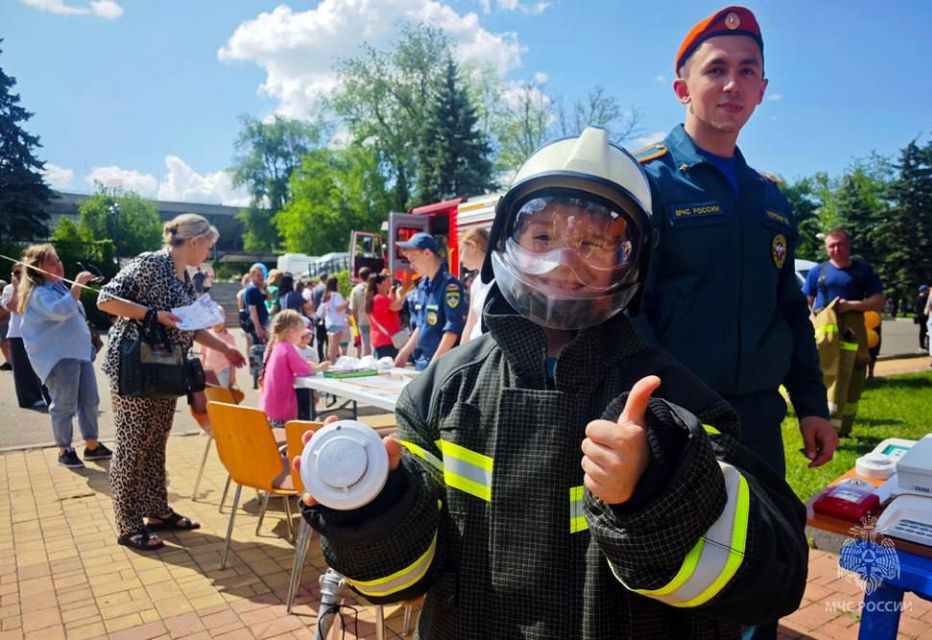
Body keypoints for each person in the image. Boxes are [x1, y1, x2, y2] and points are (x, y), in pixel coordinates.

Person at [295, 127, 808, 639]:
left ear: (633, 259)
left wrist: (656, 486)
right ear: (506, 240)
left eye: (593, 244)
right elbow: (398, 582)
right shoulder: (442, 391)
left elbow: (775, 580)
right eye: (543, 237)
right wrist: (372, 508)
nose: (564, 262)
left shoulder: (669, 395)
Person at [632, 6, 835, 480]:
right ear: (682, 88)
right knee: (679, 554)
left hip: (760, 426)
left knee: (768, 550)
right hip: (674, 424)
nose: (732, 83)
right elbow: (626, 314)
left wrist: (810, 404)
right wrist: (664, 406)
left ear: (762, 91)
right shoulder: (643, 181)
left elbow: (788, 312)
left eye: (748, 71)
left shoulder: (770, 199)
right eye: (716, 69)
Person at [97, 214, 245, 550]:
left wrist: (225, 349)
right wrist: (152, 314)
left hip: (165, 371)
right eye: (209, 245)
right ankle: (127, 523)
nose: (209, 252)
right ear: (194, 241)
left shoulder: (185, 278)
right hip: (134, 368)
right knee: (132, 443)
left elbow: (190, 325)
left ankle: (156, 510)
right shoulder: (151, 263)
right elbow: (105, 299)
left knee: (155, 441)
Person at [18, 244, 112, 468]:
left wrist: (88, 347)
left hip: (78, 355)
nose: (58, 265)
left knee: (89, 402)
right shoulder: (38, 293)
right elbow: (61, 312)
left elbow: (75, 318)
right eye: (52, 262)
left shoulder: (59, 287)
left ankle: (92, 445)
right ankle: (64, 449)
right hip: (59, 358)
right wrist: (78, 284)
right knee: (64, 405)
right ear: (37, 268)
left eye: (58, 260)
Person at [802, 229, 884, 435]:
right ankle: (825, 424)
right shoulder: (818, 272)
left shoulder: (862, 270)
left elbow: (878, 300)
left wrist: (852, 305)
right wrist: (812, 320)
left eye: (840, 244)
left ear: (849, 245)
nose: (836, 249)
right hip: (825, 331)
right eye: (831, 245)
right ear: (826, 248)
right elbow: (806, 302)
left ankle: (844, 427)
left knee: (853, 373)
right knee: (824, 373)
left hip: (852, 331)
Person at [394, 233, 467, 370]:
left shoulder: (450, 286)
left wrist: (434, 365)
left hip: (442, 364)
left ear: (427, 253)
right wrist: (405, 352)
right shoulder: (422, 286)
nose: (411, 266)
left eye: (413, 259)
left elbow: (452, 330)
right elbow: (421, 325)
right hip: (422, 361)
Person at [259, 310, 326, 427]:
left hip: (271, 405)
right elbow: (304, 369)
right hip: (281, 407)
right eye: (301, 334)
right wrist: (320, 367)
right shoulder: (288, 348)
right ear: (291, 332)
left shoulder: (277, 347)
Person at [3, 265, 48, 408]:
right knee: (23, 369)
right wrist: (16, 288)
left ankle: (48, 396)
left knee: (43, 366)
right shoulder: (9, 289)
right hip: (18, 333)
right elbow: (14, 306)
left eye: (22, 272)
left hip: (37, 332)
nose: (19, 275)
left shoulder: (37, 288)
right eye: (16, 272)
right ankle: (28, 398)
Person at [459, 227, 492, 343]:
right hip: (476, 351)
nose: (460, 259)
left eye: (461, 251)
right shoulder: (476, 283)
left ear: (473, 246)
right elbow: (470, 324)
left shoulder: (498, 280)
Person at [242, 265, 270, 389]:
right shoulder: (252, 290)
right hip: (257, 326)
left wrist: (264, 288)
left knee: (258, 351)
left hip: (259, 325)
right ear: (252, 276)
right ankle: (258, 378)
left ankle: (258, 378)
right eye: (258, 276)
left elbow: (270, 297)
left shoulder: (256, 290)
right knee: (258, 351)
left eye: (262, 276)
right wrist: (258, 327)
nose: (261, 278)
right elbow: (252, 309)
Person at [366, 272, 405, 359]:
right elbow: (397, 306)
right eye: (387, 282)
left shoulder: (376, 298)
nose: (389, 284)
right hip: (386, 341)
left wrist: (392, 293)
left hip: (382, 340)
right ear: (378, 285)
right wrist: (399, 293)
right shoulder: (379, 298)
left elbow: (389, 306)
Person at [201, 306, 238, 388]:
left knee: (223, 394)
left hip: (223, 370)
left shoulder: (229, 337)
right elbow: (204, 354)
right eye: (214, 321)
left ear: (224, 321)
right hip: (209, 370)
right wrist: (203, 370)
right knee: (211, 394)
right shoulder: (206, 335)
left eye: (219, 321)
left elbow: (233, 359)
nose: (216, 324)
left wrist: (233, 375)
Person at [321, 276, 350, 363]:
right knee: (334, 345)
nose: (339, 285)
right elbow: (338, 308)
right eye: (338, 283)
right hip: (337, 322)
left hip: (329, 322)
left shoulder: (326, 295)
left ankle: (330, 362)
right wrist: (347, 303)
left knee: (331, 345)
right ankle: (332, 363)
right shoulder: (336, 295)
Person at [349, 267, 373, 357]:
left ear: (360, 276)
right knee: (375, 343)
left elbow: (353, 309)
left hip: (362, 320)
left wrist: (355, 323)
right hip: (374, 319)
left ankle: (366, 361)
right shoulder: (374, 287)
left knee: (366, 344)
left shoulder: (355, 290)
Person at [311, 272, 329, 361]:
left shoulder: (314, 289)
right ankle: (327, 357)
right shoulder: (326, 288)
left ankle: (320, 357)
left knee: (319, 340)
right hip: (325, 315)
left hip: (317, 315)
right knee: (327, 339)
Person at [914, 284, 930, 351]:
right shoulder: (921, 298)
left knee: (925, 331)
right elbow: (923, 308)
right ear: (923, 291)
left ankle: (925, 345)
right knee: (923, 331)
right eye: (926, 290)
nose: (928, 291)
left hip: (923, 316)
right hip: (922, 316)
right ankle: (922, 345)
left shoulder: (923, 297)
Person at [0, 278, 11, 370]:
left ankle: (10, 362)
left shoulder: (6, 296)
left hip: (5, 323)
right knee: (3, 343)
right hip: (2, 324)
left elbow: (5, 312)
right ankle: (8, 361)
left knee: (6, 343)